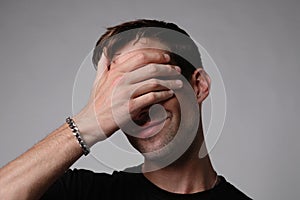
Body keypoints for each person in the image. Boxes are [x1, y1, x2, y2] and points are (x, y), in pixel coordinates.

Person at [0, 19, 251, 200]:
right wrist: (87, 124)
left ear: (198, 86)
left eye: (151, 80)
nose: (140, 105)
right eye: (122, 94)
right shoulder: (80, 193)